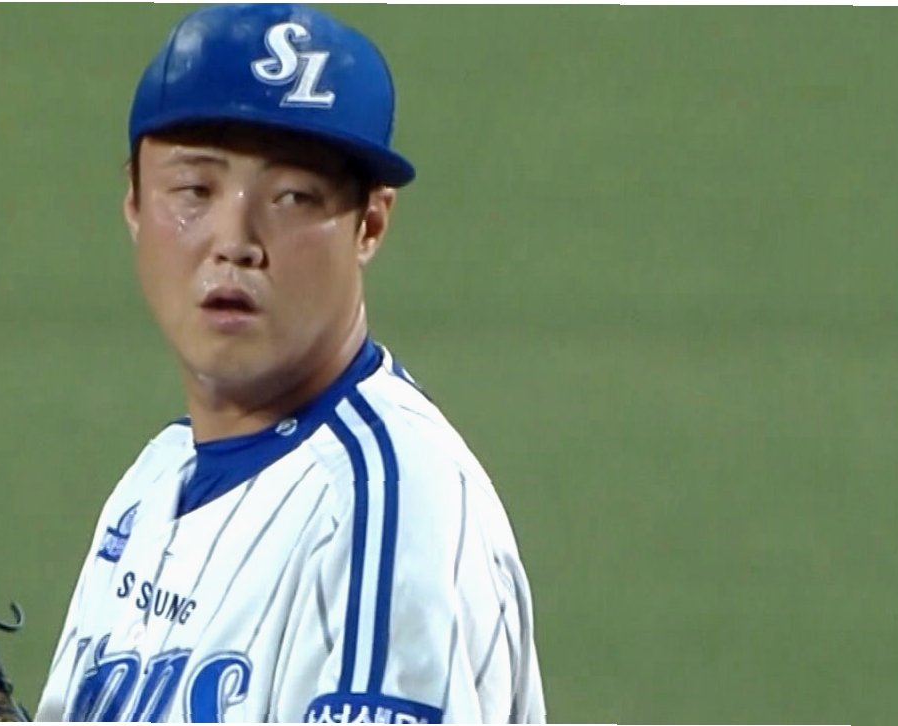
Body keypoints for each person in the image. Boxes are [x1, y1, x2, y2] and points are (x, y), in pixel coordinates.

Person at [35, 4, 545, 723]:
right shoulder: (153, 483)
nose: (235, 241)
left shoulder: (386, 508)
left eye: (293, 197)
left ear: (370, 224)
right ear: (135, 205)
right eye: (195, 190)